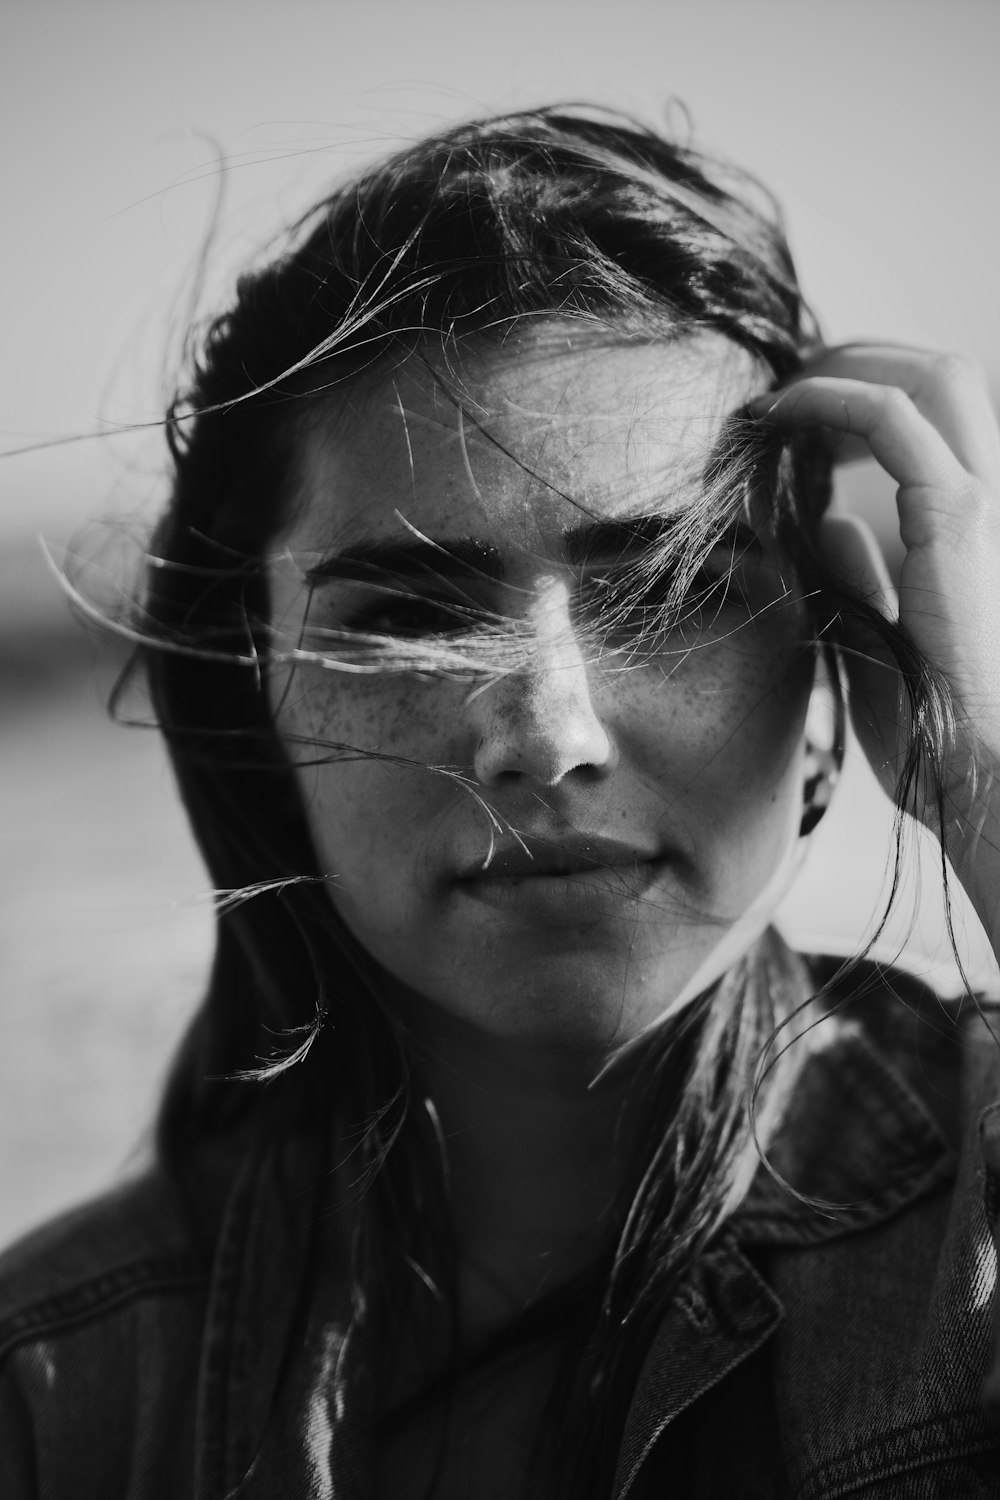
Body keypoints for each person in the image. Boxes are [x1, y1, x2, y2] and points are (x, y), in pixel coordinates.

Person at [2, 104, 1000, 1499]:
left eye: (669, 594)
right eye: (409, 614)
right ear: (260, 708)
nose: (549, 736)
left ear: (833, 665)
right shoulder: (59, 1399)